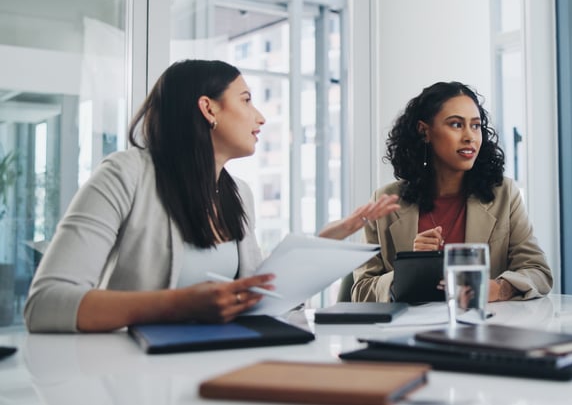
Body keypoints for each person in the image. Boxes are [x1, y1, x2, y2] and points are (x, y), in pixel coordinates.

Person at [24, 59, 398, 333]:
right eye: (247, 100)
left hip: (219, 361)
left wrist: (324, 242)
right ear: (208, 108)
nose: (261, 117)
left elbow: (257, 294)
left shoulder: (238, 193)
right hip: (133, 376)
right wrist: (175, 305)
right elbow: (46, 303)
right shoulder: (125, 175)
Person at [352, 81, 553, 302]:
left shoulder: (505, 195)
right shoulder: (385, 202)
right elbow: (360, 291)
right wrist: (409, 270)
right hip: (407, 333)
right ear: (424, 131)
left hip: (483, 328)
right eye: (456, 125)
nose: (469, 136)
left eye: (475, 126)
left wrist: (498, 288)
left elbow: (538, 272)